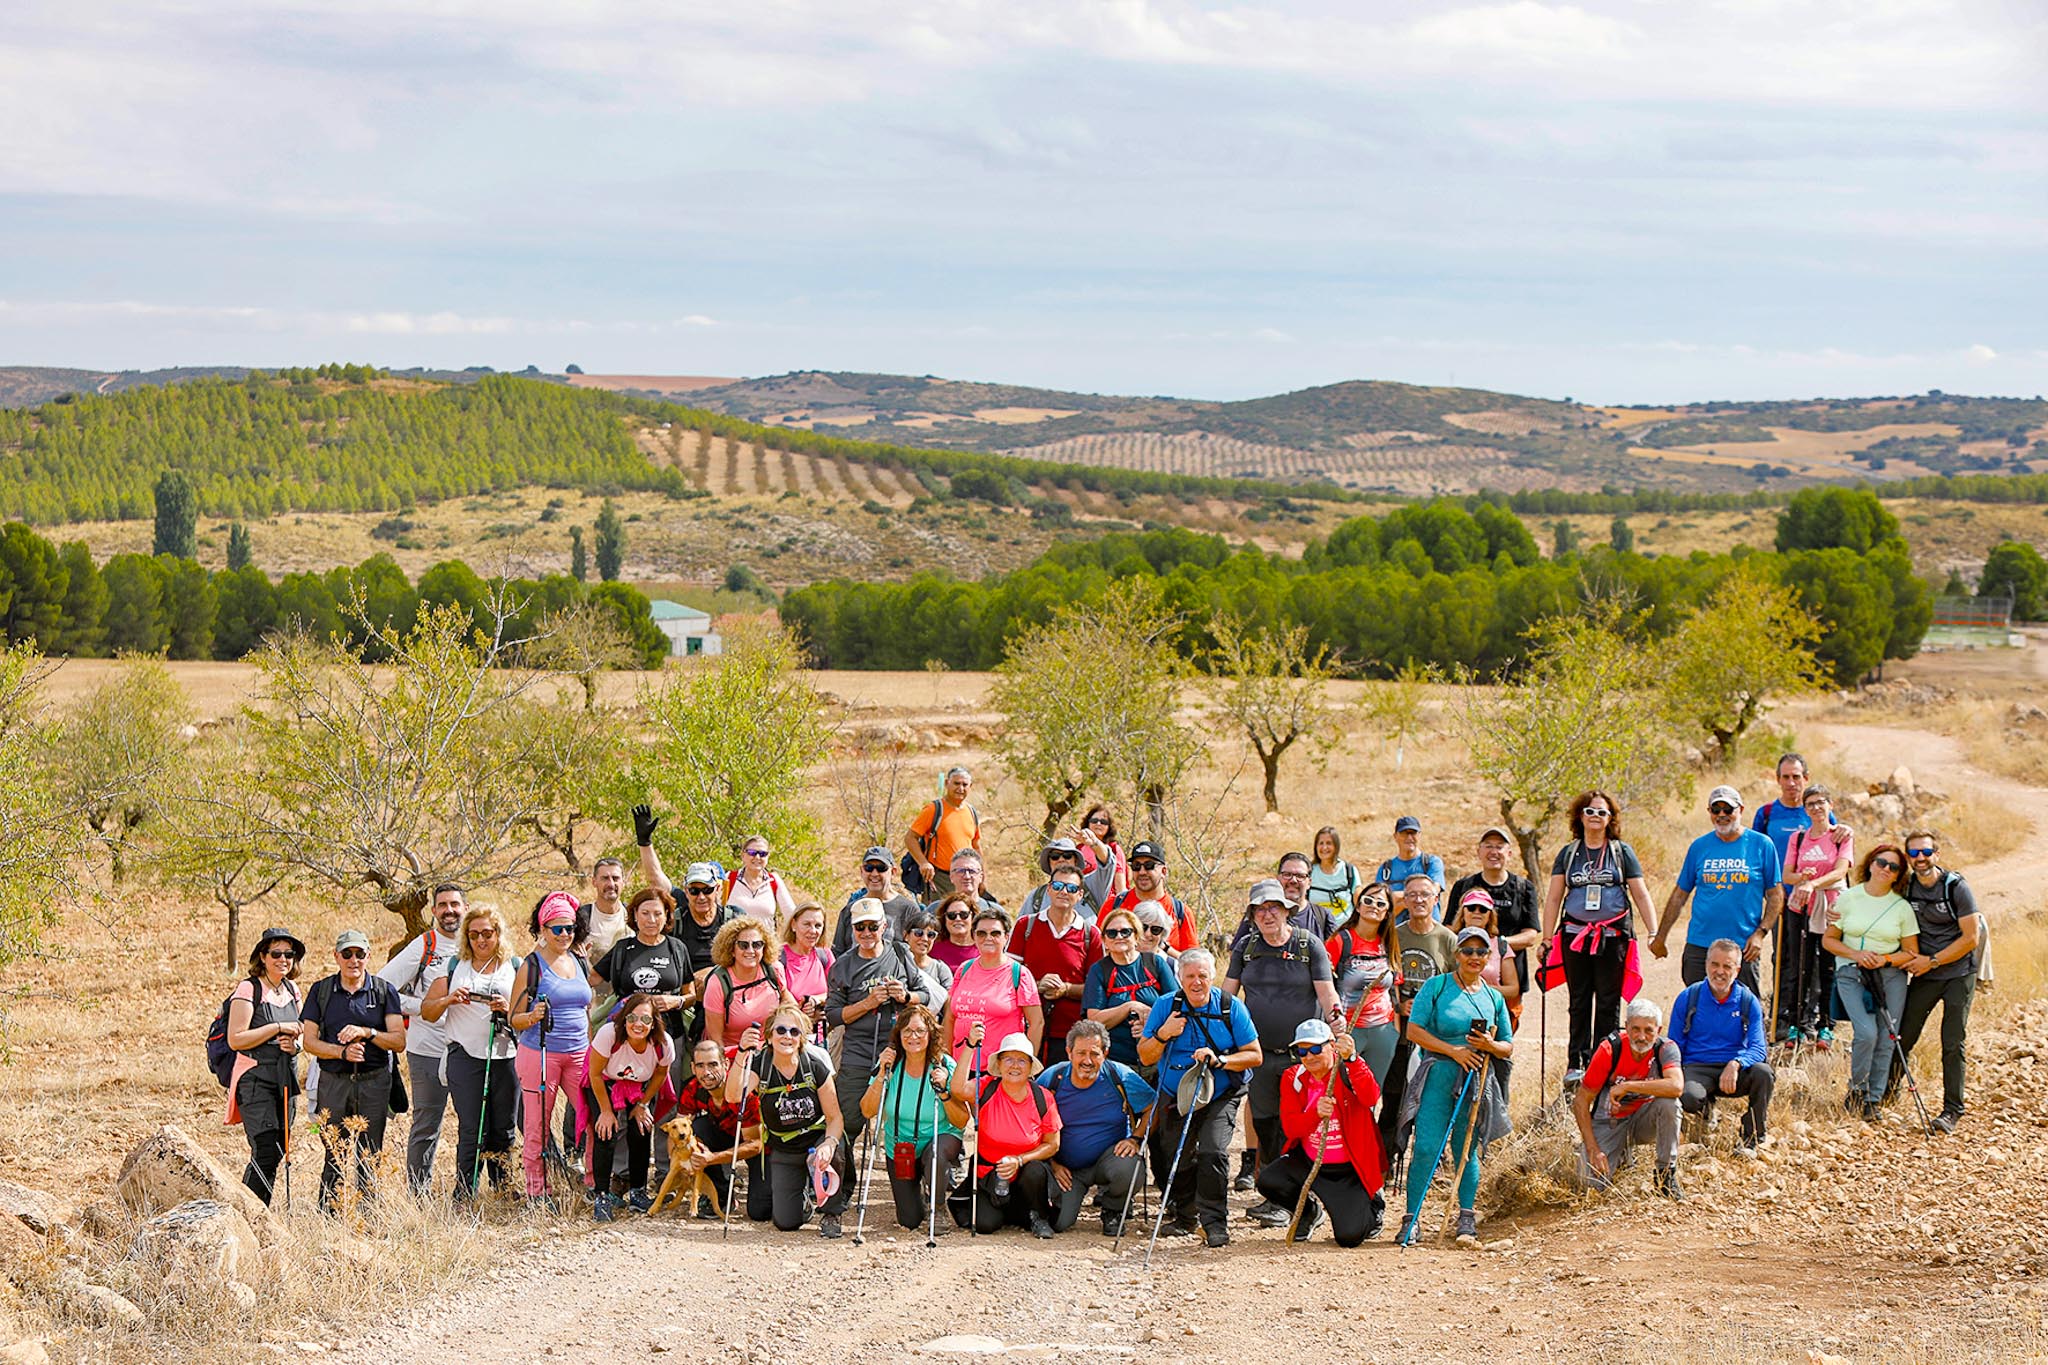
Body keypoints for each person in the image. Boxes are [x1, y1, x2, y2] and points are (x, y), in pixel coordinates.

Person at [1224, 878, 1340, 1226]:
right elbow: (1228, 997)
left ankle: (1305, 1198)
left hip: (1303, 1056)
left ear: (1287, 909)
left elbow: (1327, 995)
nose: (1267, 915)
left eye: (1273, 907)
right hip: (1259, 1053)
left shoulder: (1309, 945)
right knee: (1266, 1124)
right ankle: (1278, 1199)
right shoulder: (1246, 947)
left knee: (1300, 1125)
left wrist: (1339, 1029)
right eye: (1260, 910)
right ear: (1252, 915)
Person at [822, 897, 935, 1231]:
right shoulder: (842, 966)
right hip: (858, 1057)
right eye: (861, 927)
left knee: (914, 1120)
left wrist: (905, 997)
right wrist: (867, 1003)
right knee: (843, 1128)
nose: (867, 932)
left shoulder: (900, 954)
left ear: (885, 927)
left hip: (902, 1053)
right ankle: (834, 1205)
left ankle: (927, 1191)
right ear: (853, 929)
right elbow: (832, 1015)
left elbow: (925, 996)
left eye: (873, 926)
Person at [1139, 949, 1263, 1248]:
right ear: (1179, 977)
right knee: (1175, 1153)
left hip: (1221, 1092)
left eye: (1203, 976)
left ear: (1212, 977)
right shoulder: (1165, 1006)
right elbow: (1145, 1054)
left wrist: (1220, 1059)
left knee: (1213, 1151)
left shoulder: (1229, 1007)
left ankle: (1214, 1222)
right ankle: (1185, 1216)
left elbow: (1254, 1056)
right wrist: (1164, 1034)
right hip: (1177, 1092)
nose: (1197, 983)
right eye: (1190, 976)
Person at [1398, 926, 1513, 1247]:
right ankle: (1412, 1219)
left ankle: (1465, 1218)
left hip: (1475, 1080)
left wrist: (1489, 1044)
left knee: (1466, 1150)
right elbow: (1414, 1031)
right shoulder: (1436, 986)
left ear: (1488, 957)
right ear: (1456, 954)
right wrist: (1454, 1051)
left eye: (1480, 952)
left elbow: (1508, 1046)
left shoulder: (1493, 996)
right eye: (1467, 951)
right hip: (1437, 1074)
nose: (1474, 957)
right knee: (1425, 1148)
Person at [1543, 791, 1656, 1083]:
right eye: (1590, 812)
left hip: (1612, 936)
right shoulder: (1568, 854)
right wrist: (1546, 938)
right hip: (1575, 935)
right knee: (1579, 1000)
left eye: (1602, 813)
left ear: (1610, 819)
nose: (1595, 817)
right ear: (1580, 816)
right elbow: (1554, 898)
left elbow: (1640, 893)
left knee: (1608, 1000)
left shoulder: (1621, 852)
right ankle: (1576, 1062)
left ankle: (1603, 1060)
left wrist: (1653, 931)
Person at [1254, 1019, 1386, 1245]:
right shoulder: (1293, 1077)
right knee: (1268, 1180)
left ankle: (1373, 1204)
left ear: (1332, 1045)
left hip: (1349, 1169)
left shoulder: (1349, 1068)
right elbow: (1291, 1127)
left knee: (1349, 1238)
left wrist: (1353, 1059)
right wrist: (1315, 1114)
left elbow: (1370, 1097)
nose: (1309, 1057)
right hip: (1311, 1162)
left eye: (1316, 1049)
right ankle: (1308, 1214)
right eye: (1302, 1051)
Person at [300, 929, 406, 1212]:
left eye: (359, 954)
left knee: (370, 1154)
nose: (353, 960)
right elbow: (308, 1041)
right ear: (336, 956)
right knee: (334, 1152)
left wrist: (368, 1032)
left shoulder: (384, 991)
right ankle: (328, 1218)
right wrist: (341, 1052)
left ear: (368, 956)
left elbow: (398, 1041)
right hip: (333, 1082)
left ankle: (369, 1217)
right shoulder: (321, 991)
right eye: (347, 953)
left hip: (374, 1083)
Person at [420, 905, 519, 1203]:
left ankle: (502, 1189)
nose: (481, 940)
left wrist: (507, 1008)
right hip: (464, 1054)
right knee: (472, 1128)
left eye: (487, 933)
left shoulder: (515, 966)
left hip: (505, 1054)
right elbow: (427, 1010)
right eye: (474, 934)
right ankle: (465, 1194)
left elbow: (525, 1013)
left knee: (503, 1126)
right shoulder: (453, 966)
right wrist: (449, 999)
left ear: (498, 934)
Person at [726, 1003, 845, 1234]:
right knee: (785, 1223)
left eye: (794, 1031)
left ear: (802, 1038)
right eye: (781, 1030)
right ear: (769, 1037)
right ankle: (803, 1200)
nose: (787, 1036)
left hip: (815, 1142)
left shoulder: (815, 1067)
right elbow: (733, 1095)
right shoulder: (760, 1065)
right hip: (784, 1147)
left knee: (835, 1152)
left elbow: (835, 1117)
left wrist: (829, 1144)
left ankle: (832, 1213)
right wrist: (742, 1052)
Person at [377, 883, 465, 1193]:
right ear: (433, 911)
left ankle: (467, 1191)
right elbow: (382, 987)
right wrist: (422, 1007)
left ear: (464, 908)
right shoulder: (425, 945)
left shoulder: (478, 943)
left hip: (470, 1049)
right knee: (427, 1124)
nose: (449, 910)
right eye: (443, 905)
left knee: (471, 1125)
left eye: (455, 904)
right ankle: (419, 1194)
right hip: (428, 1046)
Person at [1652, 785, 1782, 994]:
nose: (1722, 815)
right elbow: (1679, 895)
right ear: (1709, 813)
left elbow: (1775, 895)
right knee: (1698, 1007)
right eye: (1716, 810)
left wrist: (1761, 933)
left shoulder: (1761, 844)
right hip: (1700, 943)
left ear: (1740, 809)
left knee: (1744, 1013)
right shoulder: (1699, 847)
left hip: (1742, 946)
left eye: (1728, 809)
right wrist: (1661, 936)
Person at [1823, 845, 1919, 1121]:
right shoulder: (1848, 898)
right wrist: (1855, 954)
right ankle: (1856, 1089)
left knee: (1888, 1036)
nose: (1885, 869)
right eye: (1881, 862)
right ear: (1871, 863)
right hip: (1851, 973)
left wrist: (1886, 959)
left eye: (1893, 867)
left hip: (1890, 975)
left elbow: (1910, 952)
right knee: (1866, 1033)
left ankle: (1873, 1100)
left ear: (1899, 874)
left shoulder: (1902, 907)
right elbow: (1828, 940)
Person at [1893, 830, 1980, 1133]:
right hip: (1925, 972)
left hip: (1958, 972)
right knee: (1903, 1034)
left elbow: (1971, 938)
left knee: (1952, 1041)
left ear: (1936, 854)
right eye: (1914, 853)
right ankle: (1885, 1095)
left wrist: (1931, 961)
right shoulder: (1907, 888)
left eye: (1926, 852)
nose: (1921, 859)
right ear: (1908, 858)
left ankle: (1952, 1110)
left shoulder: (1956, 887)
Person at [511, 892, 595, 1204]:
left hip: (579, 1054)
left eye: (570, 928)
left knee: (591, 1117)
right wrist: (532, 1016)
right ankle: (538, 1191)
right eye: (557, 928)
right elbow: (513, 1017)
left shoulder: (579, 961)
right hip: (539, 1053)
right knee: (537, 1126)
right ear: (543, 929)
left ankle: (593, 1184)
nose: (564, 934)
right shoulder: (531, 966)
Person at [1041, 1020, 1156, 1235]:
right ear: (1069, 1052)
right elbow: (1032, 1121)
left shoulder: (1120, 1076)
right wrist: (1052, 1163)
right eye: (1081, 1053)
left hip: (1109, 1160)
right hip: (1066, 1168)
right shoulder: (1052, 1078)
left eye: (1094, 1053)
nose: (1087, 1060)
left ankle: (1114, 1209)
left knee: (1130, 1168)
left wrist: (1136, 1139)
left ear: (1105, 1052)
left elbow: (1153, 1107)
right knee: (1060, 1223)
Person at [860, 1003, 967, 1232]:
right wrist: (880, 1075)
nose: (913, 1036)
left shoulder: (945, 1065)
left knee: (936, 1154)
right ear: (898, 1035)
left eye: (920, 1030)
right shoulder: (890, 1065)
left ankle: (938, 1206)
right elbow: (867, 1111)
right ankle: (921, 1189)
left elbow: (961, 1121)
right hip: (900, 1146)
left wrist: (945, 1092)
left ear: (930, 1034)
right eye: (907, 1030)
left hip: (939, 1137)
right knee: (909, 1220)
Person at [952, 1031, 1063, 1236]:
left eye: (1022, 1060)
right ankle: (1014, 1215)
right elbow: (957, 1089)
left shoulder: (1043, 1098)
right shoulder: (986, 1088)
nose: (1015, 1065)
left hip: (1027, 1176)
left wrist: (1020, 1160)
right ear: (999, 1065)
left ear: (1030, 1067)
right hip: (990, 1174)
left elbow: (1053, 1144)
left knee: (1036, 1170)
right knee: (984, 1225)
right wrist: (969, 1045)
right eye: (1009, 1059)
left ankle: (1038, 1216)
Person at [225, 926, 305, 1206]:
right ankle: (250, 1215)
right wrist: (276, 1028)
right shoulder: (249, 988)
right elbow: (236, 1038)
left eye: (289, 954)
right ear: (262, 956)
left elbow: (302, 1034)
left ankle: (255, 1213)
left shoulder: (292, 989)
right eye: (276, 953)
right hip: (255, 1079)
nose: (283, 959)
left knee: (279, 1148)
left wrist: (295, 1045)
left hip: (285, 1077)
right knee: (266, 1149)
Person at [1573, 999, 1683, 1198]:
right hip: (1610, 1122)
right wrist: (1592, 1149)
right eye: (1636, 1029)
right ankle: (1620, 1154)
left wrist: (1627, 1086)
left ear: (1659, 1030)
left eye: (1648, 1030)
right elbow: (1581, 1101)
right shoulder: (1610, 1049)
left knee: (1669, 1104)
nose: (1641, 1037)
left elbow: (1676, 1086)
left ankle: (1666, 1174)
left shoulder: (1666, 1048)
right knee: (1589, 1187)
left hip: (1643, 1120)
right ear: (1626, 1026)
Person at [1669, 940, 1773, 1150]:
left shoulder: (1747, 1000)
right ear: (1706, 965)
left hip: (1734, 1071)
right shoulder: (1689, 997)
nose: (1720, 972)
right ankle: (1705, 1114)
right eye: (1715, 965)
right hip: (1697, 1067)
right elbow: (1673, 1046)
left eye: (1727, 966)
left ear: (1737, 969)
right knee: (1688, 1096)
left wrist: (1736, 1063)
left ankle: (1753, 1136)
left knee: (1764, 1073)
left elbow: (1759, 1049)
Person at [585, 993, 673, 1220]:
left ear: (653, 1023)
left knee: (641, 1128)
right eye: (632, 1018)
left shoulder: (663, 1043)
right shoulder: (609, 1035)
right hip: (605, 1082)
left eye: (645, 1020)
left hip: (639, 1085)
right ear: (624, 1019)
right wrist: (605, 1111)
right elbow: (594, 1074)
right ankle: (602, 1196)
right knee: (605, 1132)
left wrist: (643, 1104)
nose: (638, 1024)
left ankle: (638, 1192)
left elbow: (661, 1073)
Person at [1781, 787, 1853, 1047]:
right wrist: (1803, 878)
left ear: (1830, 805)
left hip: (1832, 907)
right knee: (1800, 965)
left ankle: (1826, 1025)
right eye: (1809, 804)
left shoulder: (1841, 836)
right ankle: (1796, 1025)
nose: (1815, 808)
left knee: (1828, 967)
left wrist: (1814, 883)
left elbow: (1840, 872)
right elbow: (1786, 875)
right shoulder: (1798, 839)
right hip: (1801, 907)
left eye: (1820, 803)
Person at [1009, 867, 1104, 1065]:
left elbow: (1097, 990)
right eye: (1058, 885)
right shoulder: (1025, 926)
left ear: (1080, 895)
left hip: (1072, 1034)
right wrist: (1036, 986)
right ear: (1049, 890)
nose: (1064, 892)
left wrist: (1066, 989)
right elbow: (1007, 979)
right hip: (1026, 1028)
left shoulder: (1090, 934)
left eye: (1071, 888)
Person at [1448, 826, 1541, 1020]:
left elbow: (1531, 934)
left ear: (1509, 853)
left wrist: (1498, 945)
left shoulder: (1523, 888)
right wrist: (1472, 944)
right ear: (1479, 852)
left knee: (1503, 1032)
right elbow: (1449, 927)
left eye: (1499, 846)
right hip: (1464, 971)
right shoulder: (1463, 886)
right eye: (1488, 846)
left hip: (1509, 974)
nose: (1494, 851)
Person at [672, 1039, 765, 1219]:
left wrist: (712, 1158)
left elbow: (756, 1144)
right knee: (695, 1130)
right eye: (700, 1066)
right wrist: (682, 1163)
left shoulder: (744, 1092)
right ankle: (721, 1195)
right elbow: (676, 1131)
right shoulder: (693, 1088)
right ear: (692, 1068)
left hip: (756, 1146)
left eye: (713, 1065)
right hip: (722, 1135)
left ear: (726, 1064)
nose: (706, 1073)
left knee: (761, 1211)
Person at [593, 887, 694, 1049]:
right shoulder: (623, 949)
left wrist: (676, 1001)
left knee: (668, 1075)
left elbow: (691, 995)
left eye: (658, 913)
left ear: (667, 915)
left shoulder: (677, 948)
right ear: (634, 914)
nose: (651, 920)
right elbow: (591, 979)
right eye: (645, 913)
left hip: (669, 1036)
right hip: (628, 1035)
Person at [1083, 905, 1181, 1073]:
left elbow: (1177, 1007)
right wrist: (1130, 1006)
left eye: (1125, 932)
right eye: (1112, 933)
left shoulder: (1155, 964)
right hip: (1116, 1063)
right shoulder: (1100, 970)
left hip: (1159, 1058)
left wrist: (1149, 1025)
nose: (1119, 937)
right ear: (1104, 940)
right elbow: (1094, 1019)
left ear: (1136, 936)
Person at [941, 906, 1045, 1062]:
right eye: (981, 933)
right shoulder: (964, 969)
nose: (988, 938)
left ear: (1006, 937)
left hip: (1000, 1070)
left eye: (995, 933)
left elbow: (1037, 1022)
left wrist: (1026, 1064)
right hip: (960, 1067)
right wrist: (946, 1061)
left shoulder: (1019, 974)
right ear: (974, 936)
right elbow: (949, 1018)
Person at [1448, 888, 1521, 1096]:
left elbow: (1513, 988)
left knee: (1493, 1083)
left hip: (1490, 1023)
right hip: (1452, 1021)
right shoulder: (1450, 940)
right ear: (1463, 912)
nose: (1477, 912)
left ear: (1491, 915)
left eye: (1483, 909)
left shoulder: (1500, 945)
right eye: (1471, 907)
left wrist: (1479, 990)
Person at [1328, 883, 1401, 1087]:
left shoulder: (1390, 942)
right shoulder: (1340, 940)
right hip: (1349, 1029)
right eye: (1368, 900)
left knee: (1370, 1095)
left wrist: (1394, 1031)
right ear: (1358, 906)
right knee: (1340, 1092)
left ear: (1387, 913)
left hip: (1383, 1031)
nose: (1373, 906)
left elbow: (1394, 987)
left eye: (1380, 903)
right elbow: (1323, 984)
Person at [700, 916, 795, 1053]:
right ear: (731, 949)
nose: (750, 950)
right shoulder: (718, 982)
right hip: (733, 1054)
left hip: (771, 1051)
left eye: (757, 945)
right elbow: (716, 1041)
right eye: (743, 945)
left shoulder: (774, 970)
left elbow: (788, 1003)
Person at [1096, 840, 1199, 952]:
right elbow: (1097, 950)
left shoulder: (1180, 912)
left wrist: (1164, 949)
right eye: (1136, 866)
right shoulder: (1114, 905)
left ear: (1163, 871)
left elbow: (1191, 961)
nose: (1142, 872)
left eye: (1149, 866)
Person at [1230, 852, 1338, 947]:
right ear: (1278, 878)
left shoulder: (1322, 916)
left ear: (1309, 882)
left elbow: (1336, 959)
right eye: (1287, 875)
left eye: (1300, 876)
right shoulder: (1259, 913)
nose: (1293, 880)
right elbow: (1236, 954)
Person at [905, 767, 981, 899]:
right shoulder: (933, 810)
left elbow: (976, 845)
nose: (960, 789)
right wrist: (923, 863)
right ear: (947, 783)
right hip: (940, 879)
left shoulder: (971, 812)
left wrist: (981, 875)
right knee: (937, 917)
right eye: (956, 783)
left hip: (966, 879)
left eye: (965, 785)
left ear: (971, 786)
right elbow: (910, 838)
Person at [832, 847, 920, 952]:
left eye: (881, 868)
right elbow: (837, 952)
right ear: (861, 871)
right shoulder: (850, 910)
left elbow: (916, 954)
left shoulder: (908, 910)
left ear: (893, 872)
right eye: (868, 868)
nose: (874, 874)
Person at [1017, 837, 1117, 924]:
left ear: (1076, 860)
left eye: (1067, 855)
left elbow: (1108, 863)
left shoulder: (1091, 886)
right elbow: (1019, 932)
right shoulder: (1036, 897)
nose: (1061, 859)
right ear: (1049, 862)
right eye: (1055, 856)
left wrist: (1094, 843)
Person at [779, 901, 835, 1043]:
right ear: (793, 925)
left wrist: (817, 1000)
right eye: (806, 924)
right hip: (788, 1037)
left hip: (821, 1037)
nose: (813, 931)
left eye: (818, 925)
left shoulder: (825, 955)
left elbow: (837, 992)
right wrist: (803, 1014)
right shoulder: (779, 958)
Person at [1375, 816, 1445, 914]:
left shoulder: (1431, 862)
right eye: (1404, 833)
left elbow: (1434, 890)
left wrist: (1399, 898)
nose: (1409, 837)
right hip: (1396, 928)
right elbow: (1380, 902)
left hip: (1429, 927)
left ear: (1420, 835)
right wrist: (1414, 897)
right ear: (1395, 836)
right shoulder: (1385, 869)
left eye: (1413, 833)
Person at [723, 834, 797, 925]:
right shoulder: (729, 878)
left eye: (762, 854)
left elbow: (791, 914)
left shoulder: (774, 881)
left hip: (766, 938)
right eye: (752, 852)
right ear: (743, 855)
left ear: (768, 857)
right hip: (734, 938)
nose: (757, 857)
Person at [901, 910, 954, 1016]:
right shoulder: (897, 965)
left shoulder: (940, 969)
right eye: (918, 933)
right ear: (906, 935)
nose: (924, 939)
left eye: (931, 935)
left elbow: (949, 1006)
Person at [1306, 826, 1361, 926]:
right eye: (1321, 843)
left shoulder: (1349, 871)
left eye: (1329, 843)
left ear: (1336, 846)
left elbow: (1359, 903)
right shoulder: (1308, 871)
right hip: (1317, 931)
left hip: (1345, 930)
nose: (1324, 848)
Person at [582, 856, 633, 958]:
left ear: (623, 881)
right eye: (605, 878)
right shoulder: (582, 917)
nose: (611, 884)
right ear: (594, 882)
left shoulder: (634, 916)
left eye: (615, 878)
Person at [1074, 804, 1128, 895]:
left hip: (1107, 902)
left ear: (1109, 826)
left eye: (1103, 822)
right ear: (1088, 823)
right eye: (1094, 821)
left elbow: (1120, 887)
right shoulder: (1079, 849)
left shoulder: (1114, 849)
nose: (1098, 824)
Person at [932, 849, 1003, 917]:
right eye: (960, 871)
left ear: (981, 877)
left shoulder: (996, 912)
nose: (967, 876)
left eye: (972, 871)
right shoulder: (935, 911)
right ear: (951, 877)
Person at [929, 892, 980, 974]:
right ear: (944, 919)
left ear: (973, 917)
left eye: (964, 914)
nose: (958, 919)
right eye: (951, 915)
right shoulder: (933, 949)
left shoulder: (983, 949)